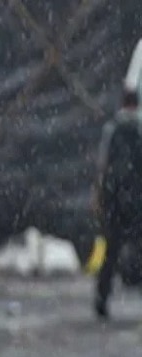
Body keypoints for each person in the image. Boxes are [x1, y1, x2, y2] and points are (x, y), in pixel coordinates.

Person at [93, 88, 142, 318]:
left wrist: (102, 196)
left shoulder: (112, 130)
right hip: (137, 201)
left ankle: (102, 299)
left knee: (111, 253)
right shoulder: (139, 130)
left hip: (115, 201)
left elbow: (103, 166)